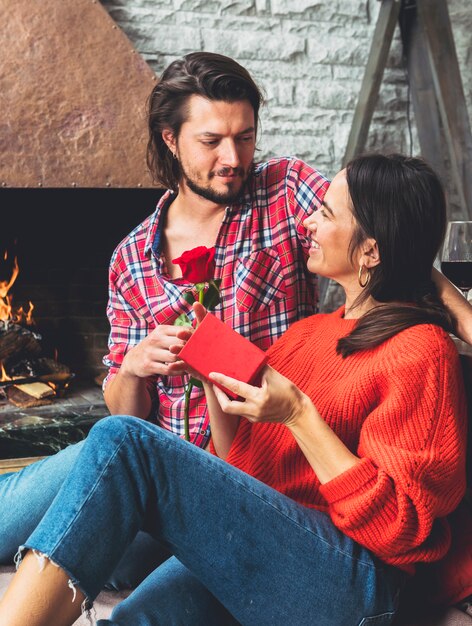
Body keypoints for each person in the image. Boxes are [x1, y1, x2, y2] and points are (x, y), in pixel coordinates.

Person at [0, 51, 470, 591]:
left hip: (258, 471)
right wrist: (132, 370)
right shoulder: (131, 259)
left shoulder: (284, 191)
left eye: (245, 137)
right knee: (104, 448)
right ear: (170, 140)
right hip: (163, 459)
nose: (234, 157)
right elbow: (127, 408)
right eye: (212, 141)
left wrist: (462, 317)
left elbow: (381, 238)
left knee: (105, 475)